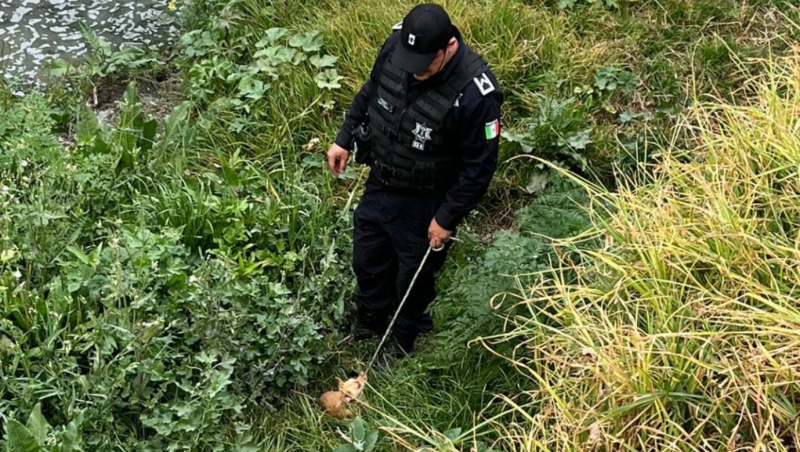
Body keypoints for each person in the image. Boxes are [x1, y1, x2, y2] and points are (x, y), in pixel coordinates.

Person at [327, 3, 503, 355]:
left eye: (423, 67)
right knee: (367, 258)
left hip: (427, 198)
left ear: (448, 47)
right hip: (383, 176)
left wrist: (447, 218)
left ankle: (401, 341)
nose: (413, 73)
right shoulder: (398, 46)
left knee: (413, 277)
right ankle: (370, 321)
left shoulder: (476, 93)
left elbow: (479, 167)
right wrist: (343, 138)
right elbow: (371, 90)